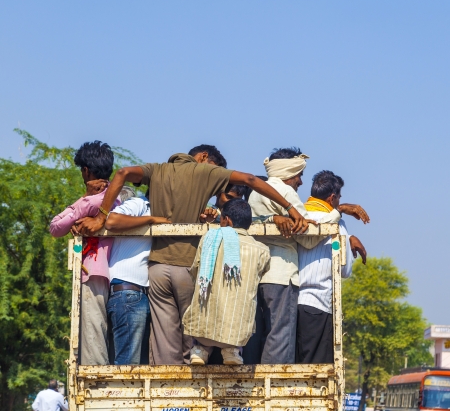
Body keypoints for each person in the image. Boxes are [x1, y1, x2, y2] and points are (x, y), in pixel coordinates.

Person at [75, 144, 308, 365]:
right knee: (192, 334)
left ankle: (167, 394)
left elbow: (123, 172)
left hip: (157, 268)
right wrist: (289, 208)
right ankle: (189, 394)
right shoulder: (206, 173)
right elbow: (250, 179)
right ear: (204, 157)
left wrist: (100, 216)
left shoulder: (156, 170)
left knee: (164, 338)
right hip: (189, 266)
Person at [245, 148, 348, 364]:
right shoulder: (287, 193)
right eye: (298, 175)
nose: (301, 181)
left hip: (256, 273)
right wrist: (338, 213)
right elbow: (308, 238)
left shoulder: (255, 193)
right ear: (288, 172)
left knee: (258, 334)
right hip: (281, 275)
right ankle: (274, 390)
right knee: (279, 336)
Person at [49, 141, 119, 365]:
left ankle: (96, 384)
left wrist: (82, 200)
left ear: (86, 171)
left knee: (93, 330)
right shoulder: (119, 197)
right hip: (119, 274)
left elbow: (56, 227)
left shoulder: (93, 201)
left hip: (94, 270)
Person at [183, 198, 271, 365]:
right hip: (237, 334)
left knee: (202, 302)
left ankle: (200, 350)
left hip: (203, 331)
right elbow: (262, 273)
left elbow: (195, 271)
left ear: (227, 219)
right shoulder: (262, 250)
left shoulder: (210, 238)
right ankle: (232, 351)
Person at [296, 170, 367, 363]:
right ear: (333, 197)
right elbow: (344, 270)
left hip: (288, 302)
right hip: (318, 305)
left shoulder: (297, 214)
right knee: (314, 370)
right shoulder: (339, 225)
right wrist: (347, 237)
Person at [105, 187, 170, 365]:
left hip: (138, 294)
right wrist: (150, 219)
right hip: (128, 292)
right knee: (128, 365)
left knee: (139, 366)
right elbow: (111, 220)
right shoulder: (140, 204)